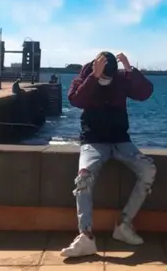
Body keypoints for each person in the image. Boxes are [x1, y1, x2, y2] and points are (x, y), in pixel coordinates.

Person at [61, 51, 156, 258]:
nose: (106, 80)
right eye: (104, 76)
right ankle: (86, 237)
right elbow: (75, 100)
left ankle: (123, 225)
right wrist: (93, 78)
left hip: (121, 141)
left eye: (109, 77)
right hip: (93, 141)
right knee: (83, 178)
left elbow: (144, 93)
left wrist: (130, 71)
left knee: (148, 169)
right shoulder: (85, 76)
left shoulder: (120, 79)